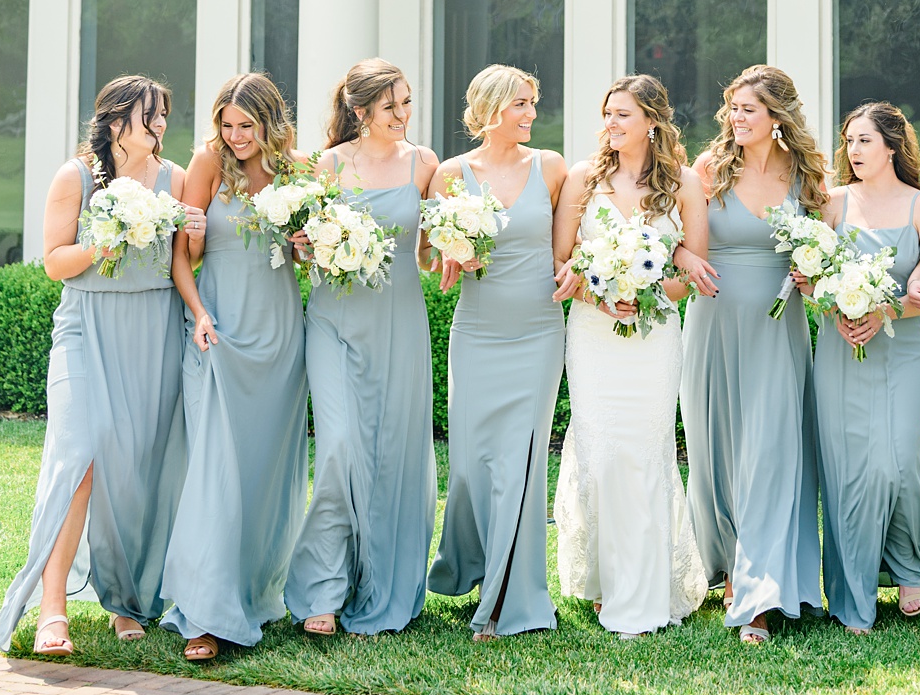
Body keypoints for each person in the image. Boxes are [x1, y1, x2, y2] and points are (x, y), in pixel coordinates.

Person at [0, 76, 186, 655]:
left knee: (134, 470)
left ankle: (125, 599)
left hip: (153, 331)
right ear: (116, 118)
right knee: (79, 459)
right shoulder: (75, 175)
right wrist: (104, 245)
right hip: (85, 328)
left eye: (163, 115)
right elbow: (55, 262)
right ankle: (53, 606)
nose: (158, 126)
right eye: (148, 115)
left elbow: (185, 262)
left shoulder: (175, 179)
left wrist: (195, 231)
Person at [549, 76, 708, 636]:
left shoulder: (685, 184)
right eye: (608, 114)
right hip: (593, 334)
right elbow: (562, 261)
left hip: (655, 335)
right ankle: (603, 577)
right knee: (604, 449)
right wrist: (602, 295)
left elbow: (691, 275)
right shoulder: (580, 180)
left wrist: (643, 298)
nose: (611, 125)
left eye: (623, 115)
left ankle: (642, 588)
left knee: (644, 451)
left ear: (652, 122)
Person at [284, 60, 437, 637]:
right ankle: (322, 585)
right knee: (341, 448)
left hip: (398, 322)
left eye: (406, 103)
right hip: (333, 321)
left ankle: (381, 580)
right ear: (360, 111)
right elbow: (304, 251)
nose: (403, 115)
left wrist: (457, 247)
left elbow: (427, 253)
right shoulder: (327, 165)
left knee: (392, 454)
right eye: (391, 105)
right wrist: (303, 244)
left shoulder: (425, 165)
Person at [164, 73, 311, 661]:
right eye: (226, 124)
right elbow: (184, 258)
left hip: (279, 334)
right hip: (219, 330)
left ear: (269, 122)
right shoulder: (207, 163)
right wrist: (199, 312)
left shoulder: (296, 168)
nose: (234, 135)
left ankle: (249, 590)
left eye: (245, 125)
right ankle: (205, 612)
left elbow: (306, 256)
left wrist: (307, 243)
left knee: (261, 472)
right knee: (214, 472)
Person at [681, 64, 827, 642]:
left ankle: (759, 591)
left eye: (749, 110)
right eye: (733, 109)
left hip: (777, 329)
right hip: (712, 326)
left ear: (777, 118)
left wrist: (815, 273)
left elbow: (823, 249)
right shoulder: (707, 171)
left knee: (769, 452)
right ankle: (730, 568)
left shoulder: (806, 177)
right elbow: (673, 241)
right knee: (717, 452)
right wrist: (682, 259)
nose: (737, 118)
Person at [426, 64, 569, 640]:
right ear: (489, 110)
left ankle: (511, 594)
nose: (531, 114)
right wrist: (455, 257)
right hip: (478, 330)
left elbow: (565, 253)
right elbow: (433, 262)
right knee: (471, 463)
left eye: (533, 103)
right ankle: (471, 565)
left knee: (523, 461)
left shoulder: (552, 168)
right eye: (520, 105)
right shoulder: (450, 174)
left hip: (537, 330)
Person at [812, 102, 920, 631]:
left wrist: (885, 308)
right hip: (839, 350)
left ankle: (909, 563)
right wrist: (834, 305)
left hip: (903, 352)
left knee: (897, 463)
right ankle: (852, 593)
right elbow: (809, 276)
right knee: (851, 472)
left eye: (865, 140)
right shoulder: (830, 204)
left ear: (892, 146)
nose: (853, 150)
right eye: (849, 141)